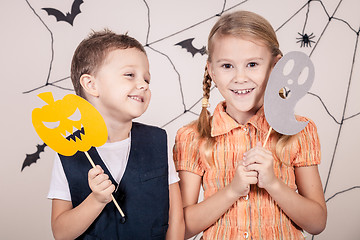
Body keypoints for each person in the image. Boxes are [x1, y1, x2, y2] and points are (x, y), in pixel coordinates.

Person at [173, 10, 327, 240]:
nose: (240, 77)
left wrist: (273, 183)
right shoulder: (192, 136)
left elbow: (317, 223)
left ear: (276, 66)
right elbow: (180, 229)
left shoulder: (299, 131)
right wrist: (232, 191)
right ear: (211, 71)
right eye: (227, 66)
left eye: (252, 64)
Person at [48, 29, 184, 240]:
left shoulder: (158, 141)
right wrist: (96, 200)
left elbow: (176, 219)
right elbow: (60, 232)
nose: (143, 85)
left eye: (146, 80)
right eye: (130, 75)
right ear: (91, 84)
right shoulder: (69, 150)